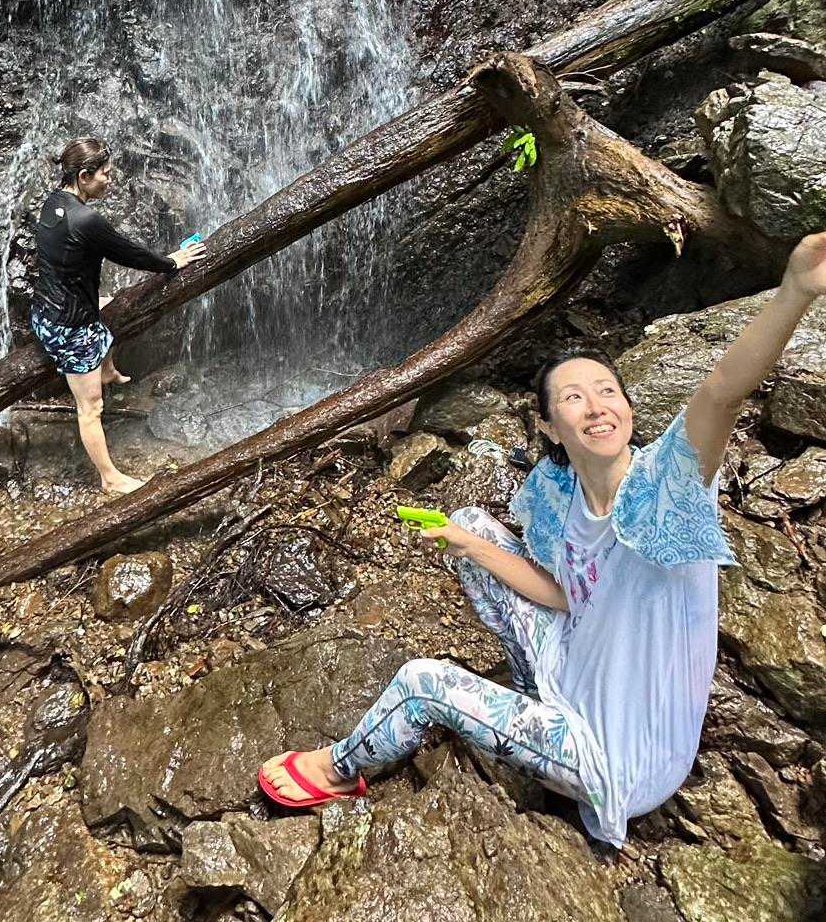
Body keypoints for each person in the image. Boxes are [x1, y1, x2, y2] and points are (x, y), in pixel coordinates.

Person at [258, 231, 826, 847]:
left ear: (629, 409)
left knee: (424, 683)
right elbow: (564, 596)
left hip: (617, 756)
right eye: (573, 398)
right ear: (551, 427)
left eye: (607, 392)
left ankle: (341, 771)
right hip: (570, 676)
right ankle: (528, 707)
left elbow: (721, 392)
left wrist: (794, 291)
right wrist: (469, 546)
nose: (596, 407)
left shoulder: (669, 486)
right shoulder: (565, 497)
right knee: (472, 527)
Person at [30, 136, 206, 494]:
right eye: (105, 174)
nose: (110, 180)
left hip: (45, 310)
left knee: (111, 304)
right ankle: (110, 478)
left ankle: (107, 368)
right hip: (69, 329)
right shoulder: (86, 220)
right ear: (84, 176)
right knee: (91, 408)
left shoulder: (53, 202)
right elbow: (129, 253)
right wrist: (172, 262)